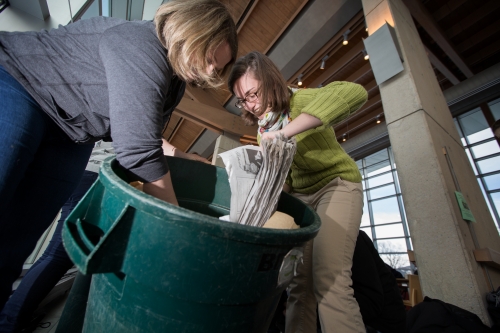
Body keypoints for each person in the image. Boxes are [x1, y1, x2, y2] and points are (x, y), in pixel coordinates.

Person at [0, 0, 237, 313]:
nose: (210, 71)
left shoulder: (175, 83)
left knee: (15, 244)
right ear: (191, 31)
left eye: (218, 68)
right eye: (210, 57)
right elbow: (137, 149)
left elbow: (142, 130)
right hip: (18, 81)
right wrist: (181, 234)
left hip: (72, 131)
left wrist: (180, 155)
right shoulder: (144, 43)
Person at [228, 51, 368, 333]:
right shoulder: (262, 131)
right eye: (242, 100)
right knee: (298, 284)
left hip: (336, 185)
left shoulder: (300, 101)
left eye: (253, 94)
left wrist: (285, 133)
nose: (250, 105)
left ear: (269, 81)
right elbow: (289, 178)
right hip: (303, 198)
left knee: (329, 278)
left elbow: (354, 92)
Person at [0, 170, 98, 333]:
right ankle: (9, 323)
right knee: (59, 254)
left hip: (81, 174)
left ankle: (10, 319)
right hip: (91, 178)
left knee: (57, 253)